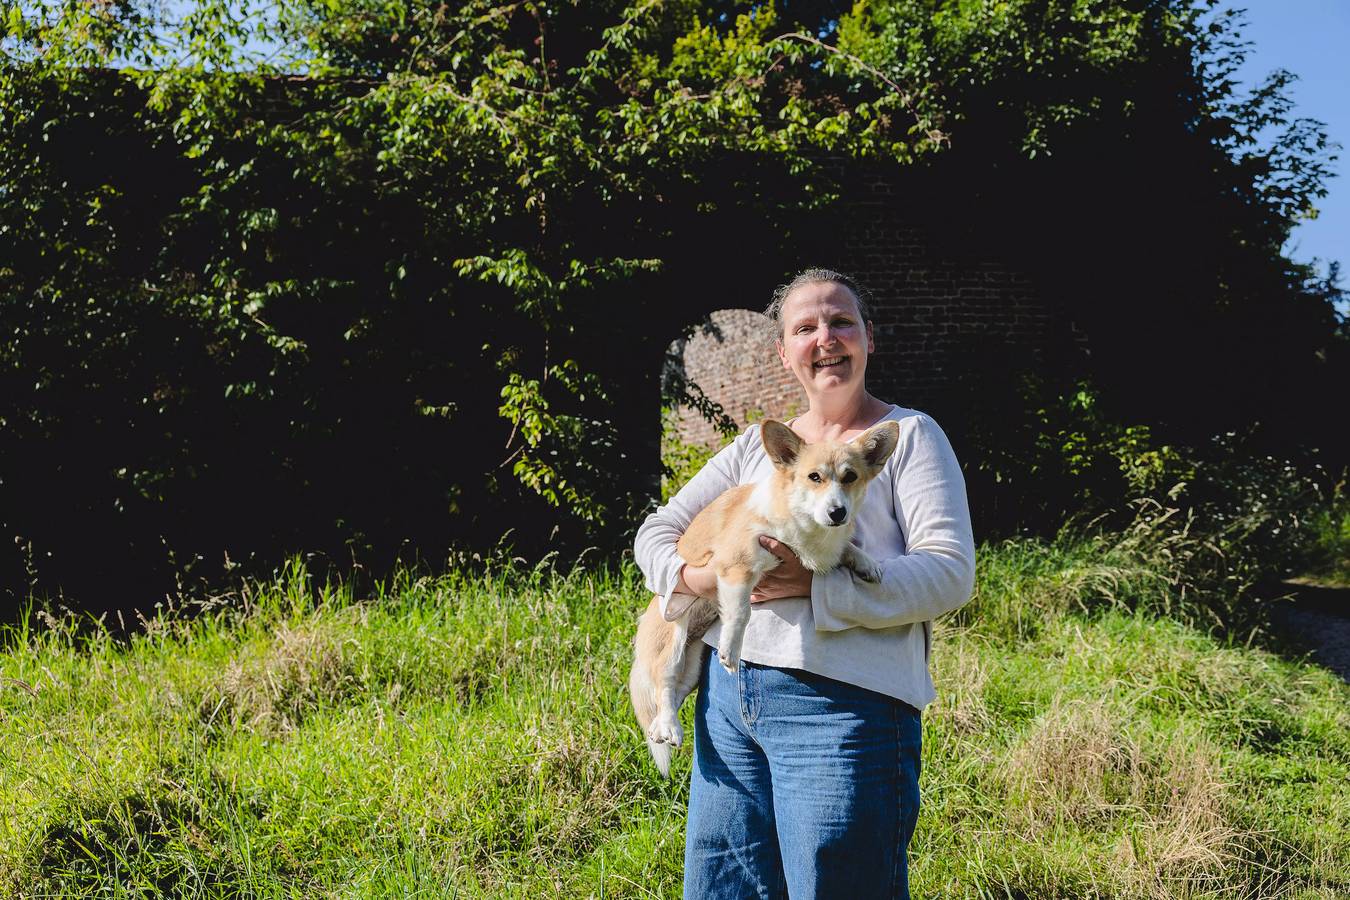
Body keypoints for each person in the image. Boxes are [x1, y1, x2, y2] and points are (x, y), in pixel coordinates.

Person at [633, 268, 976, 899]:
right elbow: (655, 533)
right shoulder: (757, 451)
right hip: (729, 706)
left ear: (869, 338)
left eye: (842, 321)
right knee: (723, 889)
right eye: (806, 327)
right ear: (784, 352)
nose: (826, 337)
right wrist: (700, 578)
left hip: (847, 710)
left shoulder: (908, 439)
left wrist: (815, 589)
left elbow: (951, 573)